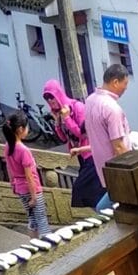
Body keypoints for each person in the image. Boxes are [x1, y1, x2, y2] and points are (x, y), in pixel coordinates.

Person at [80, 64, 133, 205]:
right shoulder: (112, 108)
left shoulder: (90, 100)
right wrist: (132, 172)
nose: (126, 88)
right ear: (115, 82)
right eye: (125, 83)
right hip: (118, 171)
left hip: (103, 169)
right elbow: (119, 147)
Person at [42, 80, 99, 209]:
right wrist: (57, 123)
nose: (50, 101)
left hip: (90, 153)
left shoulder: (76, 107)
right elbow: (63, 138)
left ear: (58, 94)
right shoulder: (59, 113)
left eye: (51, 96)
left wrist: (67, 118)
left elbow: (83, 134)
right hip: (80, 155)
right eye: (47, 98)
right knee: (89, 192)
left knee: (80, 189)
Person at [3, 110, 48, 237]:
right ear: (21, 129)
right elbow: (29, 176)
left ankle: (33, 246)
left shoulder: (7, 146)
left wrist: (13, 185)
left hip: (20, 188)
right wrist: (34, 197)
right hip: (32, 189)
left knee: (32, 220)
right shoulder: (23, 150)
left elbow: (9, 168)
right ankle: (47, 249)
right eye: (27, 127)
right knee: (42, 220)